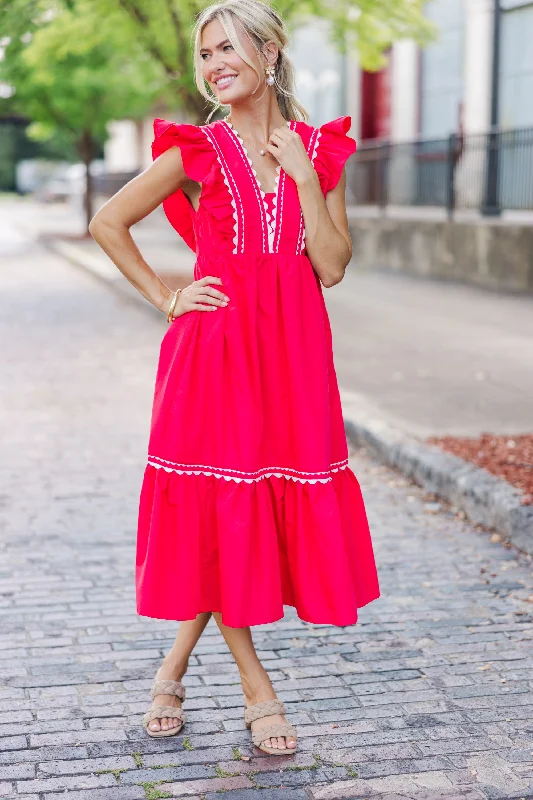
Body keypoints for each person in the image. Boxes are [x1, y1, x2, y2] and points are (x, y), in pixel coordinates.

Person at [89, 0, 380, 757]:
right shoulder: (196, 151)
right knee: (223, 512)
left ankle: (172, 671)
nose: (215, 64)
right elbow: (108, 222)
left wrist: (304, 180)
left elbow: (333, 267)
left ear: (269, 51)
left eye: (228, 48)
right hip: (214, 354)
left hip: (293, 358)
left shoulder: (318, 147)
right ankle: (260, 692)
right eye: (204, 53)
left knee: (244, 518)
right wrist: (166, 296)